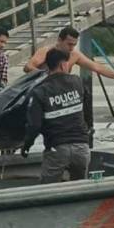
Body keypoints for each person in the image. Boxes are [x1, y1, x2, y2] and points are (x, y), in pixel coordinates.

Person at [22, 48, 96, 184]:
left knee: (47, 192)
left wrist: (27, 145)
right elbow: (87, 110)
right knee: (80, 189)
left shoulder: (40, 90)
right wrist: (89, 130)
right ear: (63, 65)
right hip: (82, 147)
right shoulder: (77, 82)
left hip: (57, 149)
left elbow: (34, 125)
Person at [23, 27, 114, 81]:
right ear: (59, 40)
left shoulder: (74, 54)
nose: (71, 48)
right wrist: (48, 76)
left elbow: (96, 67)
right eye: (69, 44)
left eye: (74, 44)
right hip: (42, 90)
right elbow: (28, 67)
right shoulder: (45, 51)